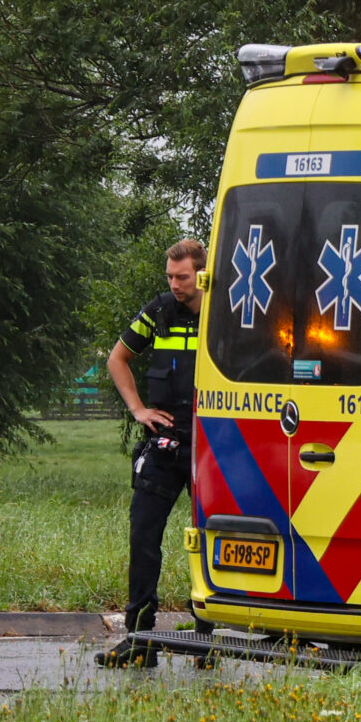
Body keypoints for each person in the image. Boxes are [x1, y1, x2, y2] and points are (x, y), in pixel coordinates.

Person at [108, 237, 206, 637]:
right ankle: (139, 634)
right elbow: (118, 359)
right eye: (170, 276)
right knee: (143, 534)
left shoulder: (226, 311)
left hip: (211, 443)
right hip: (165, 440)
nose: (175, 285)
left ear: (203, 274)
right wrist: (138, 410)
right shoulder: (159, 311)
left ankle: (207, 635)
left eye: (182, 277)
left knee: (211, 539)